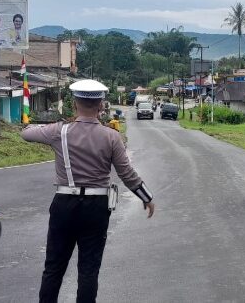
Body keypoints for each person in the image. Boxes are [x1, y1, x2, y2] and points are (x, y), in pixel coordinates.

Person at [21, 79, 155, 303]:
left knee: (54, 267)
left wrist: (43, 125)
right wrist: (146, 197)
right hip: (96, 207)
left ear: (75, 104)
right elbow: (127, 174)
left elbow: (26, 134)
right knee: (88, 269)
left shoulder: (58, 131)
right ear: (101, 105)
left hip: (64, 203)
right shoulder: (111, 136)